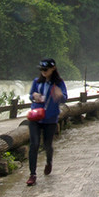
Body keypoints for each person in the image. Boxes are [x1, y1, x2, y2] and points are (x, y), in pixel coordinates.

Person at [26, 58, 67, 186]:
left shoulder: (59, 83)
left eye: (46, 69)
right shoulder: (37, 82)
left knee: (47, 145)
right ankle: (32, 174)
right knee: (34, 144)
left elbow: (64, 99)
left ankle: (49, 161)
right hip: (35, 117)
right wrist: (34, 96)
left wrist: (59, 95)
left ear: (53, 68)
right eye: (41, 69)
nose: (43, 71)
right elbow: (30, 95)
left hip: (50, 118)